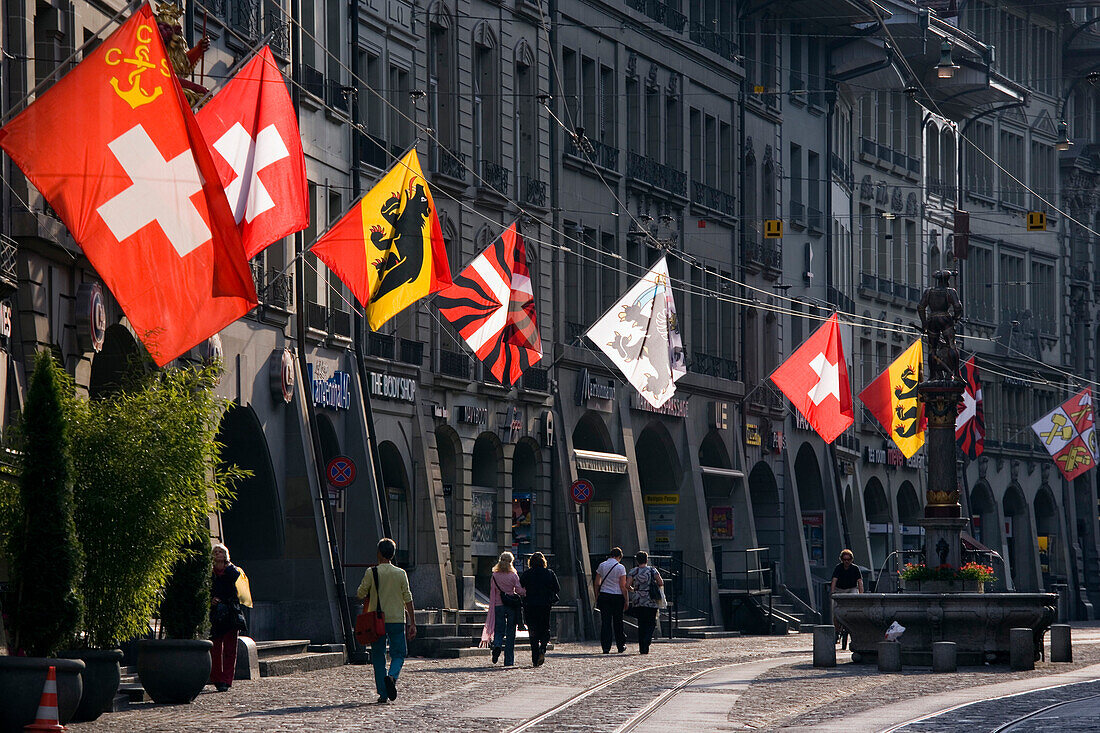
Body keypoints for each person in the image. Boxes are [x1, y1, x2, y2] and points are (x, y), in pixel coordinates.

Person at [357, 538, 417, 704]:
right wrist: (412, 621)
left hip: (376, 621)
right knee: (399, 653)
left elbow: (360, 593)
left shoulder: (372, 572)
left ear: (379, 553)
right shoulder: (400, 573)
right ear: (392, 554)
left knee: (378, 655)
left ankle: (383, 693)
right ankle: (392, 676)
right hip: (397, 619)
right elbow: (408, 598)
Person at [209, 543, 251, 692]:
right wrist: (211, 599)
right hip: (216, 613)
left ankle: (227, 679)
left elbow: (236, 577)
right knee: (215, 648)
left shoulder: (231, 570)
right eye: (216, 552)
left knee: (230, 648)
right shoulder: (210, 572)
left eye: (221, 552)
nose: (218, 554)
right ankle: (217, 678)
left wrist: (227, 564)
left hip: (231, 613)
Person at [480, 551, 526, 667]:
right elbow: (519, 590)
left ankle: (497, 645)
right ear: (511, 562)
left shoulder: (495, 576)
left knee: (499, 629)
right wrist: (526, 592)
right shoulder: (513, 575)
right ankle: (508, 660)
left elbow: (493, 592)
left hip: (498, 605)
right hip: (511, 606)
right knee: (511, 632)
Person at [520, 552, 559, 667]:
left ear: (531, 562)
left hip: (530, 606)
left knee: (532, 631)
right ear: (543, 562)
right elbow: (557, 588)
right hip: (545, 605)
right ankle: (543, 648)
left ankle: (535, 657)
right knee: (545, 628)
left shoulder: (527, 574)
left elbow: (520, 586)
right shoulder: (549, 573)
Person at [626, 551, 664, 654]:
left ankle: (642, 647)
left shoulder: (633, 571)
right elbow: (660, 582)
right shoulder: (652, 570)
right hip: (650, 599)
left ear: (637, 560)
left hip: (638, 599)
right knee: (651, 622)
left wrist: (634, 589)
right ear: (647, 560)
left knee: (641, 623)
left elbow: (627, 585)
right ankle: (647, 639)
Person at [593, 547, 628, 654]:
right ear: (619, 556)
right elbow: (623, 585)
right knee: (618, 621)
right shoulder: (621, 567)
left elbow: (597, 582)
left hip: (604, 595)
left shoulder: (602, 565)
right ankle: (620, 645)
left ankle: (606, 646)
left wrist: (597, 596)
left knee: (606, 622)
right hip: (617, 596)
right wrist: (626, 599)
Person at [830, 549, 863, 650]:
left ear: (851, 560)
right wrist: (832, 592)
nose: (846, 562)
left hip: (851, 589)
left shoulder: (855, 569)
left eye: (848, 559)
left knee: (854, 608)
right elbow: (834, 580)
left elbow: (860, 582)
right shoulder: (838, 568)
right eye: (844, 559)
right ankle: (836, 631)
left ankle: (853, 629)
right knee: (835, 611)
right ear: (841, 560)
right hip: (839, 590)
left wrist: (861, 595)